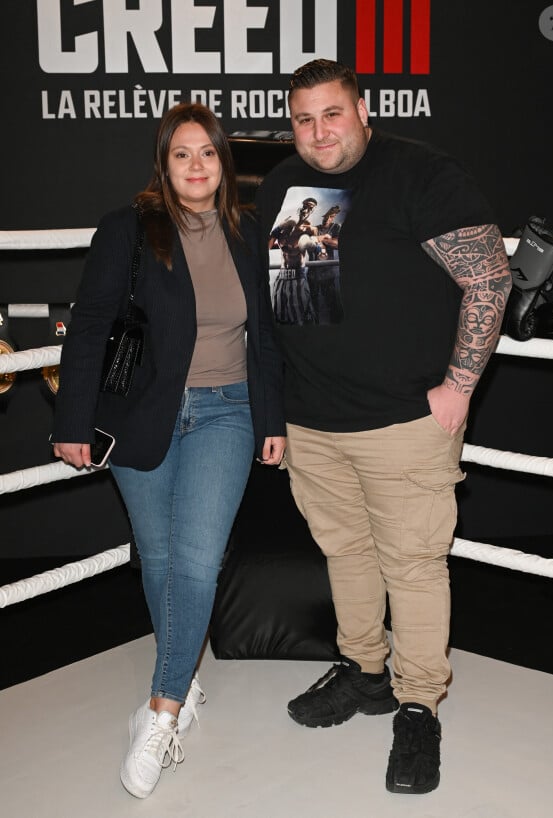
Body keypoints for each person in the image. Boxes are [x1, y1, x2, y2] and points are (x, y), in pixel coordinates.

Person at [256, 59, 512, 795]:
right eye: (303, 119)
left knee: (414, 565)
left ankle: (418, 704)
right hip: (312, 422)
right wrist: (278, 410)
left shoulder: (421, 174)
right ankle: (366, 671)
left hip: (405, 421)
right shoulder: (281, 186)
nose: (318, 132)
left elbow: (489, 276)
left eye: (331, 114)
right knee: (345, 553)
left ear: (363, 112)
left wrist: (460, 384)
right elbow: (288, 301)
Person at [52, 102, 286, 799]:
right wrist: (73, 420)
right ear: (164, 162)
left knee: (195, 557)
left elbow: (267, 340)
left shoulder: (249, 234)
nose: (195, 166)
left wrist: (272, 418)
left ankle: (161, 712)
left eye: (207, 153)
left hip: (226, 413)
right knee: (156, 559)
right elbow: (91, 324)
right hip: (140, 416)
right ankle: (182, 673)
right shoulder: (128, 229)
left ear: (224, 162)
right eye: (181, 153)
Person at [269, 196, 319, 324]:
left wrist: (315, 246)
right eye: (305, 205)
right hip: (281, 280)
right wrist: (277, 230)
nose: (306, 209)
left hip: (298, 279)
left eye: (310, 208)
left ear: (312, 211)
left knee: (300, 319)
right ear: (301, 206)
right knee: (278, 318)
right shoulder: (287, 225)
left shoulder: (310, 230)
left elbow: (320, 251)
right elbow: (267, 247)